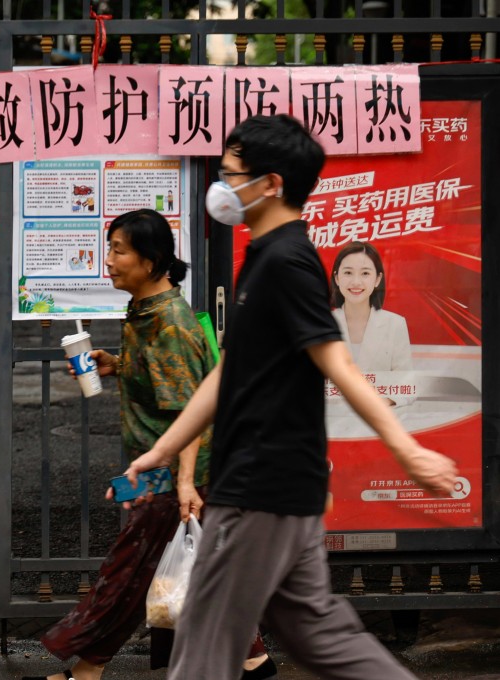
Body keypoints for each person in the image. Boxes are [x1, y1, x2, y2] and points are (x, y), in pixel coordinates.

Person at [126, 114, 457, 680]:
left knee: (204, 643)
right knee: (319, 634)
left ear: (271, 184)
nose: (222, 187)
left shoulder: (288, 261)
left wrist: (406, 449)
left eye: (232, 174)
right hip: (278, 485)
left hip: (262, 485)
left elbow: (339, 363)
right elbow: (229, 372)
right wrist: (164, 451)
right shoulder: (265, 255)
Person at [23, 209, 275, 680]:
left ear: (152, 260)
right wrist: (119, 365)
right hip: (169, 471)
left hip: (177, 475)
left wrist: (183, 485)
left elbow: (189, 413)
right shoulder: (147, 311)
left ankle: (87, 669)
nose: (109, 261)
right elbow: (169, 383)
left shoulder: (169, 325)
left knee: (130, 574)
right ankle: (253, 659)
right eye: (111, 248)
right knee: (181, 574)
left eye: (119, 250)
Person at [330, 241, 414, 406]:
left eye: (365, 273)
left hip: (377, 419)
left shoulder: (395, 324)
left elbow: (407, 383)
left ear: (377, 279)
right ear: (337, 278)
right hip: (331, 421)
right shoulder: (320, 323)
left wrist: (386, 401)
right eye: (348, 272)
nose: (356, 282)